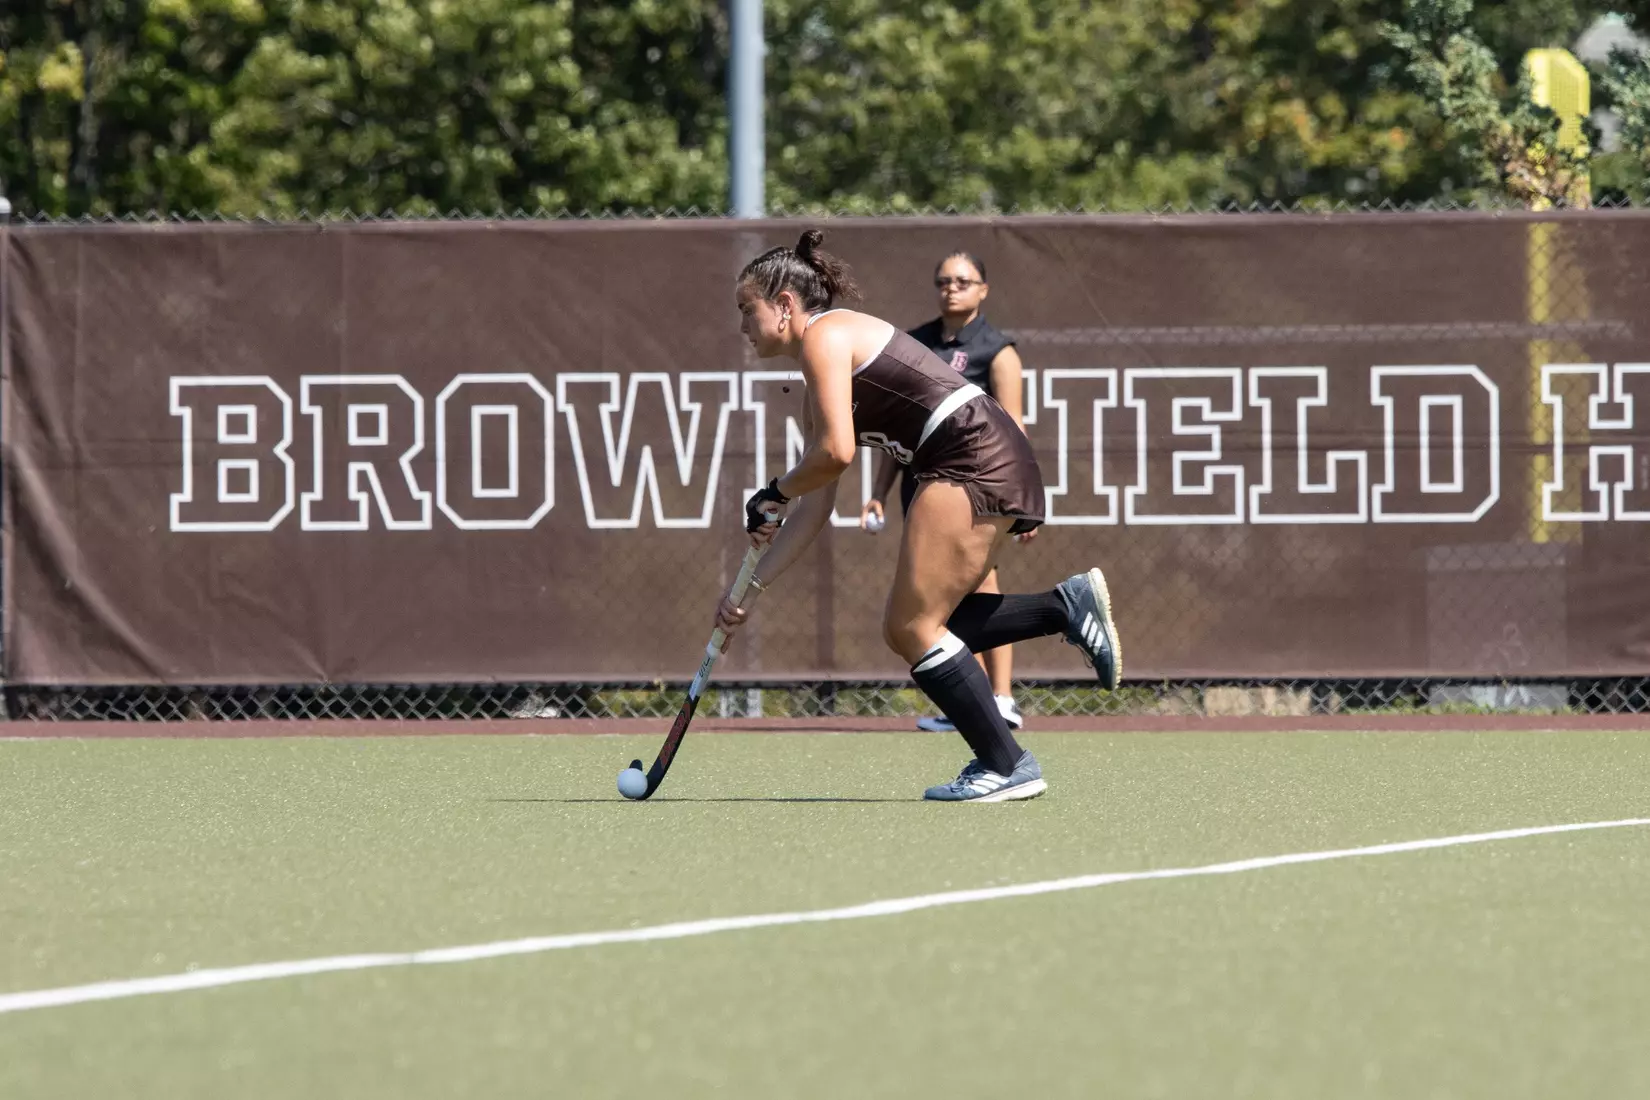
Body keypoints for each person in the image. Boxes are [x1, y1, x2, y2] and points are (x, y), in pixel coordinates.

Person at [715, 229, 1122, 802]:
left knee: (912, 627)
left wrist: (772, 490)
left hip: (969, 458)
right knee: (915, 627)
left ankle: (1006, 764)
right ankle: (1064, 608)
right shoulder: (817, 375)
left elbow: (836, 454)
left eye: (745, 310)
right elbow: (818, 500)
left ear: (784, 306)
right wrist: (748, 592)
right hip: (975, 458)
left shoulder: (824, 336)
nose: (741, 326)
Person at [862, 251, 1032, 735]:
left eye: (963, 281)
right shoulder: (915, 345)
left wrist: (1020, 504)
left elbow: (1014, 429)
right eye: (943, 281)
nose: (951, 288)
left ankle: (1001, 699)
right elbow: (899, 431)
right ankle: (969, 700)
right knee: (940, 599)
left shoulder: (998, 351)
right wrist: (877, 492)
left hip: (975, 488)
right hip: (923, 488)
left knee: (982, 585)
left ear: (984, 289)